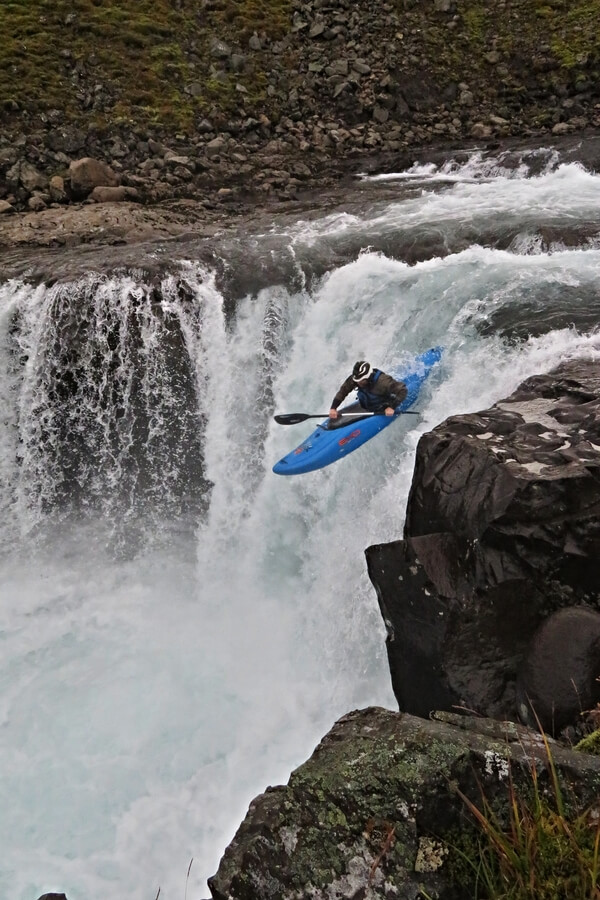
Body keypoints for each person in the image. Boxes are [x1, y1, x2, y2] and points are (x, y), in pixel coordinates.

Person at [328, 360, 408, 419]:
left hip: (384, 405)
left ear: (368, 377)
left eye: (361, 381)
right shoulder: (355, 379)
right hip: (368, 405)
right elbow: (343, 391)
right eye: (357, 381)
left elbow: (403, 390)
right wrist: (333, 408)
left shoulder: (383, 382)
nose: (358, 383)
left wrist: (392, 407)